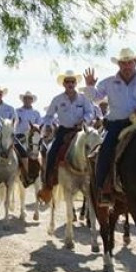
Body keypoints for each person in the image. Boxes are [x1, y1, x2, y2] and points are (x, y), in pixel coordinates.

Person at [84, 47, 136, 207]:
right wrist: (90, 86)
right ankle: (102, 188)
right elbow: (96, 98)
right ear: (119, 64)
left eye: (129, 63)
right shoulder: (110, 81)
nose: (127, 66)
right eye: (123, 63)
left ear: (135, 63)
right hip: (117, 124)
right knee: (105, 150)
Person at [37, 70, 95, 203]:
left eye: (72, 81)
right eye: (67, 81)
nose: (70, 84)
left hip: (81, 131)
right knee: (51, 153)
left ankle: (98, 184)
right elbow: (48, 116)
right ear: (63, 84)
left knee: (94, 150)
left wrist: (85, 120)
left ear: (75, 83)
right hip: (63, 131)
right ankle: (47, 186)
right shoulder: (57, 99)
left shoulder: (83, 98)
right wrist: (47, 125)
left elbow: (90, 112)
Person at [14, 90, 43, 169]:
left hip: (33, 136)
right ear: (23, 100)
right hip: (19, 136)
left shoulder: (36, 112)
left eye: (29, 98)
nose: (27, 100)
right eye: (25, 98)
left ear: (32, 100)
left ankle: (43, 169)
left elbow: (40, 125)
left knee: (45, 149)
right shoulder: (16, 111)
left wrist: (34, 128)